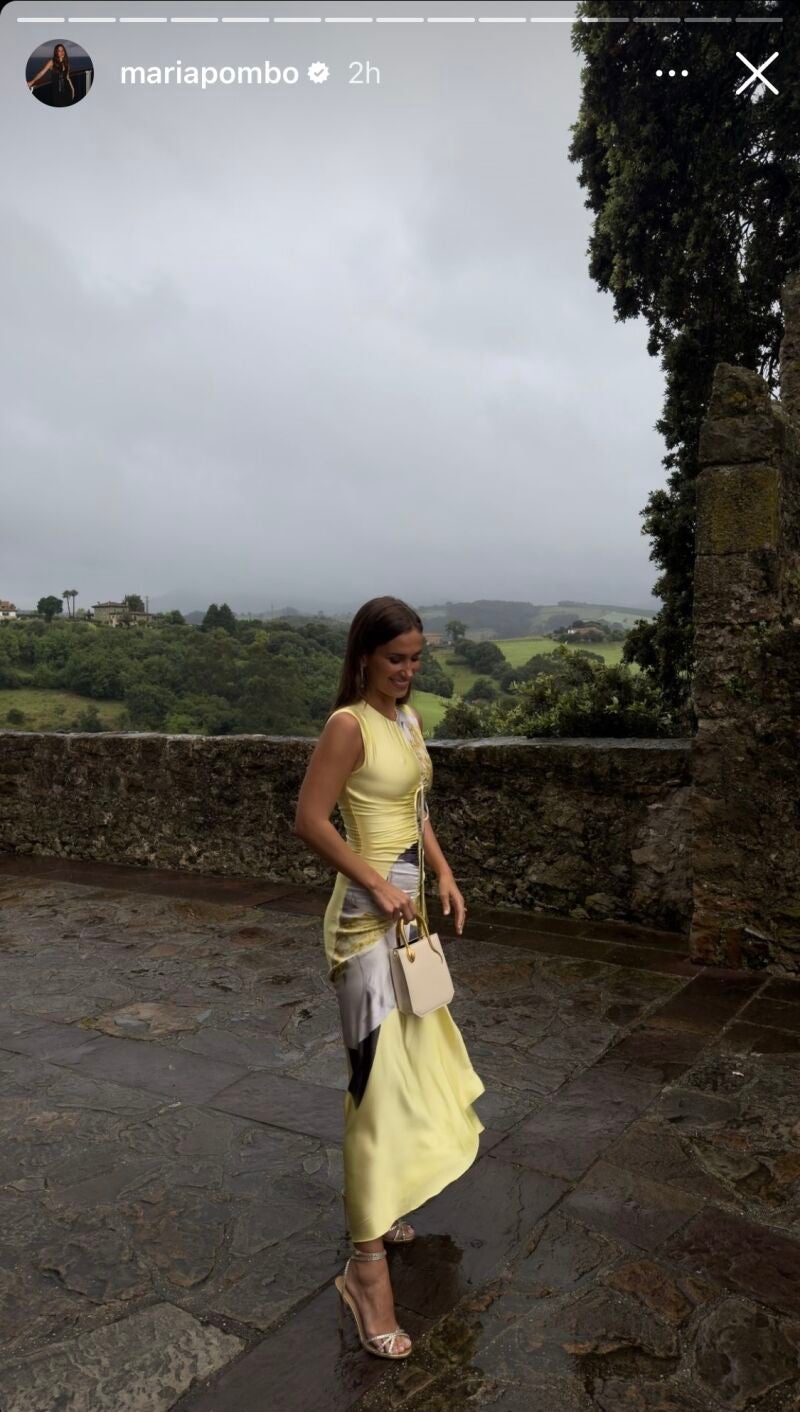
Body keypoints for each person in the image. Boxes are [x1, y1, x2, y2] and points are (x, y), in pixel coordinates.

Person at [293, 596, 485, 1360]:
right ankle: (365, 1269)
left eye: (415, 660)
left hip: (409, 917)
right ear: (365, 655)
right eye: (395, 658)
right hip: (364, 925)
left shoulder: (407, 722)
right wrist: (376, 882)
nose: (407, 672)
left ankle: (386, 1202)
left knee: (413, 1069)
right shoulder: (349, 726)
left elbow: (417, 808)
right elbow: (310, 820)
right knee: (375, 1089)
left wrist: (442, 871)